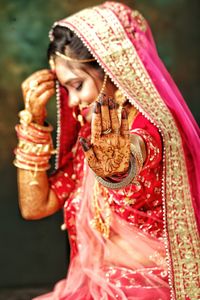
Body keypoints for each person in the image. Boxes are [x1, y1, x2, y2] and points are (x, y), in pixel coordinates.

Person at [14, 2, 200, 299]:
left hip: (150, 289)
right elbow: (37, 206)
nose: (72, 101)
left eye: (78, 85)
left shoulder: (153, 127)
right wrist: (33, 123)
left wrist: (119, 169)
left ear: (113, 72)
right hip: (94, 285)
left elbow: (137, 151)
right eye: (66, 90)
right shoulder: (89, 134)